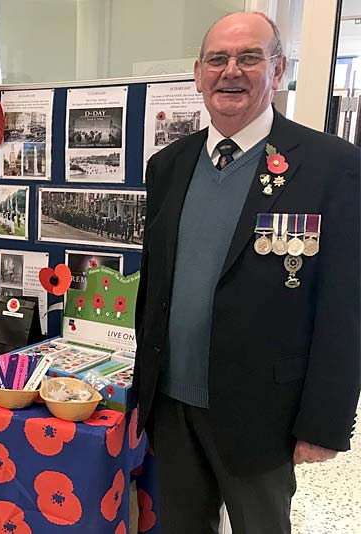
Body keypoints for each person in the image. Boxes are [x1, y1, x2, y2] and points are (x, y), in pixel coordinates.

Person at [133, 12, 359, 534]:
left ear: (278, 71)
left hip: (264, 411)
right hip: (171, 403)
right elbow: (157, 284)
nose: (230, 71)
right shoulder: (168, 165)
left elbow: (344, 307)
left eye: (249, 57)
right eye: (218, 59)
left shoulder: (332, 167)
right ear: (198, 73)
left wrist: (323, 421)